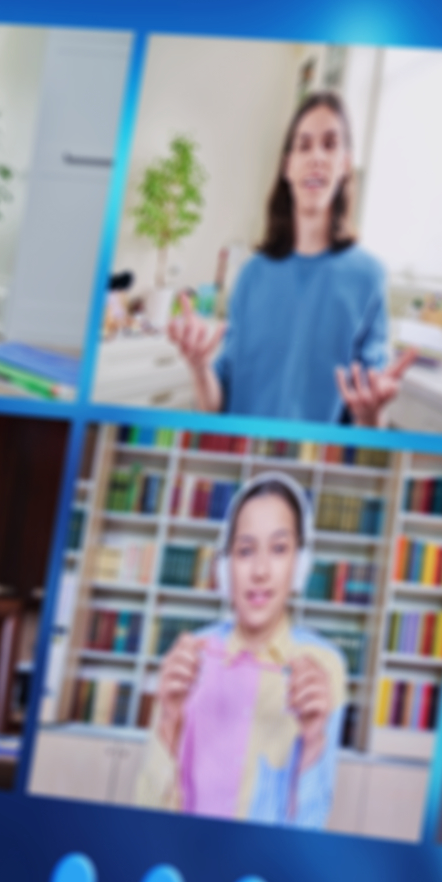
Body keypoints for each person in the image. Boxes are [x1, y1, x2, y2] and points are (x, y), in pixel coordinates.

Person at [167, 83, 403, 428]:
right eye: (304, 145)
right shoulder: (250, 276)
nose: (317, 157)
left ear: (345, 165)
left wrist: (373, 416)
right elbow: (213, 409)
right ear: (288, 166)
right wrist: (199, 369)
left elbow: (366, 421)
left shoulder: (370, 277)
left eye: (330, 144)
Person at [144, 473, 354, 824]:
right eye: (245, 551)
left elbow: (310, 829)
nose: (260, 571)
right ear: (225, 568)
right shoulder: (190, 655)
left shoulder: (325, 666)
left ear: (299, 566)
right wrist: (168, 720)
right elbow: (146, 810)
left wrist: (314, 739)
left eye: (278, 549)